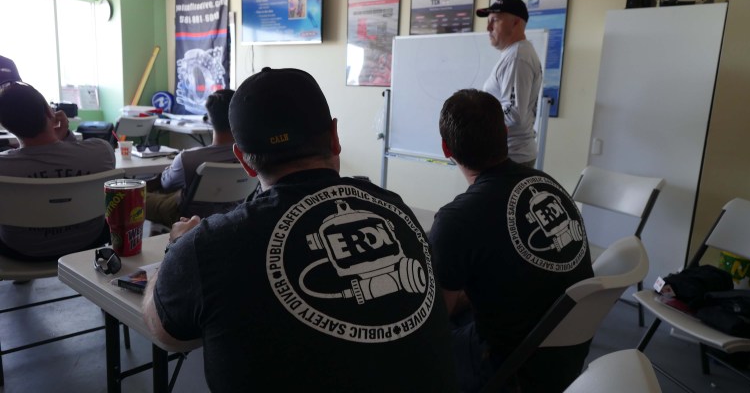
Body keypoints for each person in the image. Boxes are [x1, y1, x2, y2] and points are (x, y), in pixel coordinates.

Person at [142, 67, 457, 392]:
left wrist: (174, 249)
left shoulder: (208, 246)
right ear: (335, 138)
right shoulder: (398, 212)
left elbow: (164, 331)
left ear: (245, 161)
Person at [429, 89, 593, 392]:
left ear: (445, 149)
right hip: (568, 354)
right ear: (504, 134)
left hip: (510, 368)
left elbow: (438, 315)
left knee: (416, 343)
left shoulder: (456, 220)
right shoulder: (547, 185)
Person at [0, 81, 115, 260]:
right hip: (88, 242)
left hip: (20, 250)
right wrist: (65, 138)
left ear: (5, 125)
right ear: (49, 112)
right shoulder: (102, 152)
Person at [145, 89, 238, 227]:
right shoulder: (251, 156)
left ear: (208, 118)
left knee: (130, 197)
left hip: (188, 219)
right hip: (232, 216)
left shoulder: (188, 159)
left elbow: (166, 184)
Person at [476, 0, 543, 168]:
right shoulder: (515, 54)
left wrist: (475, 122)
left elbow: (514, 115)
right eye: (488, 21)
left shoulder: (517, 57)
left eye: (495, 20)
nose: (488, 28)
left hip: (511, 157)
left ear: (516, 23)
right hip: (508, 154)